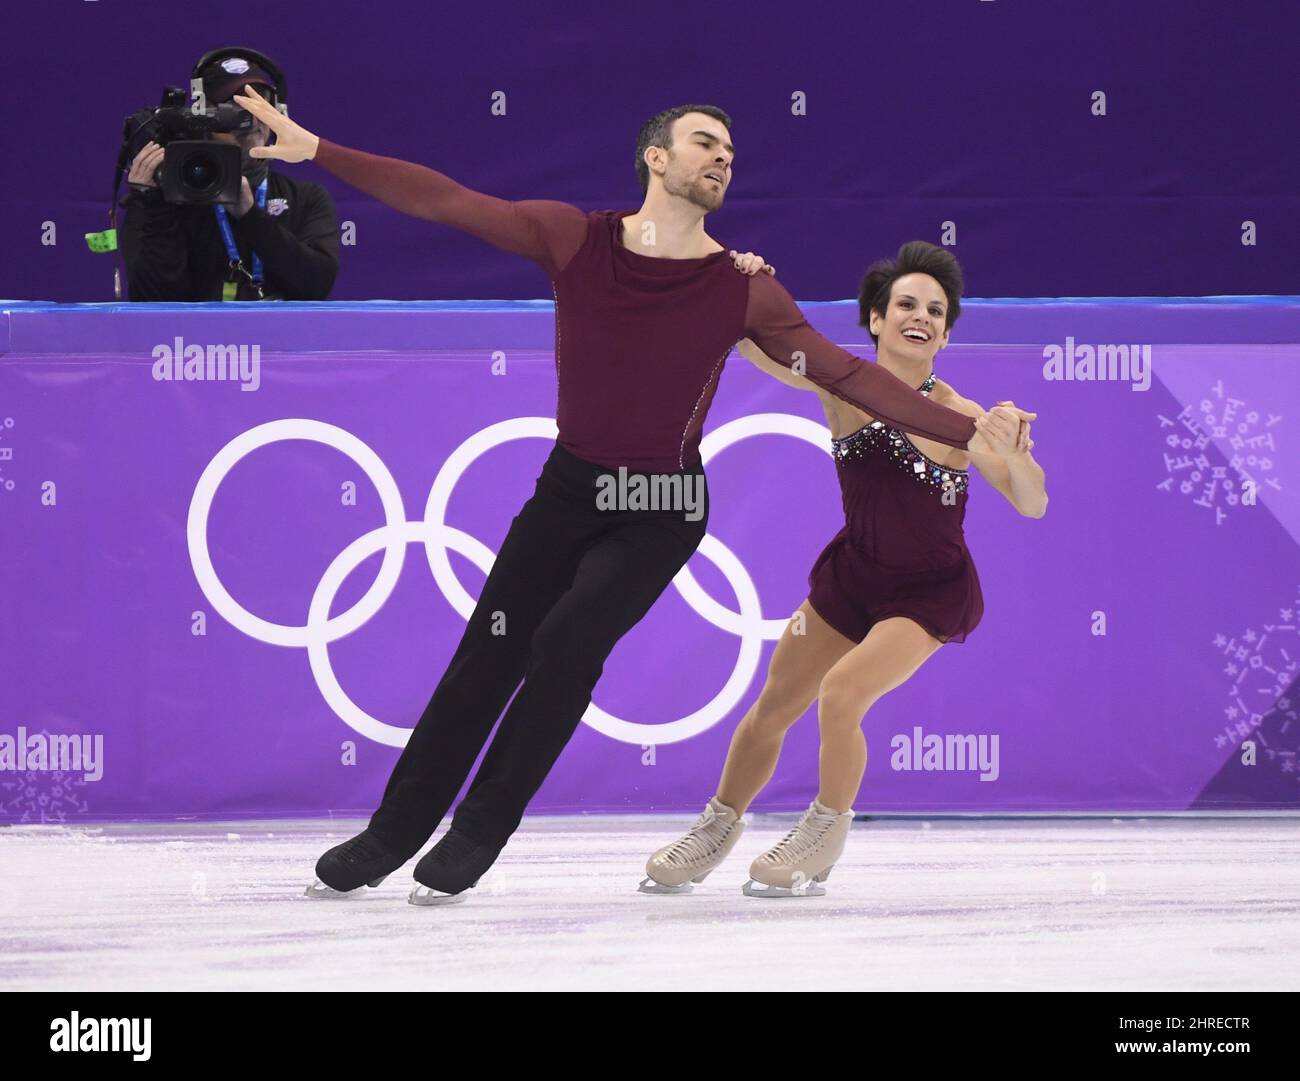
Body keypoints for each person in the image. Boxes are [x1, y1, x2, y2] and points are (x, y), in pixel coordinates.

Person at [233, 88, 1034, 904]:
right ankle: (391, 832)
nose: (723, 156)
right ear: (656, 156)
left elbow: (846, 371)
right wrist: (320, 151)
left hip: (661, 509)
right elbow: (448, 201)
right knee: (489, 651)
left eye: (730, 149)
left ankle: (478, 831)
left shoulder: (742, 287)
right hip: (568, 492)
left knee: (567, 641)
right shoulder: (573, 238)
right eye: (704, 142)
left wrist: (970, 432)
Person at [641, 241, 1047, 898]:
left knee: (841, 695)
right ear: (876, 320)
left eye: (936, 311)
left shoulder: (962, 416)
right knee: (774, 705)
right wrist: (738, 279)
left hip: (928, 594)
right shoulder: (839, 384)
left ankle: (824, 832)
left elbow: (1031, 503)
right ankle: (716, 827)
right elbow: (753, 343)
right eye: (906, 304)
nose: (921, 317)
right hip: (855, 577)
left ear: (945, 334)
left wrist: (1018, 452)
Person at [120, 55, 339, 301]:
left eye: (262, 106)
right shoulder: (172, 198)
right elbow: (153, 300)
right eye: (236, 109)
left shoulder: (306, 198)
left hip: (281, 337)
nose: (252, 120)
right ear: (204, 118)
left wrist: (250, 215)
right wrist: (152, 205)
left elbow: (317, 285)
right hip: (192, 339)